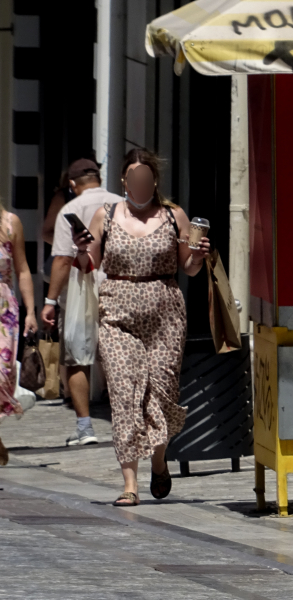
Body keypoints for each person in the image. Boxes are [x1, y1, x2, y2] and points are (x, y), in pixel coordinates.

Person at [72, 148, 209, 506]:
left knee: (162, 395)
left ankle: (159, 460)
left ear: (154, 182)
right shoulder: (107, 216)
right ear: (124, 181)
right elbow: (90, 264)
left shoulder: (172, 215)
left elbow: (189, 268)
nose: (140, 184)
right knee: (123, 394)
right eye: (134, 179)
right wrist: (82, 249)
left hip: (165, 315)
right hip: (117, 314)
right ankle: (129, 483)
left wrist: (197, 254)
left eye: (146, 179)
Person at [42, 158, 119, 446]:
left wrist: (50, 300)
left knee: (77, 357)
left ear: (72, 184)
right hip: (116, 285)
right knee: (116, 355)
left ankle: (86, 427)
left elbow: (63, 258)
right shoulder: (120, 204)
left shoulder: (70, 209)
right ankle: (127, 419)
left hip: (79, 289)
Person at [0, 200, 40, 465]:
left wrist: (30, 311)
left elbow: (23, 269)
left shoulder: (10, 223)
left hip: (3, 310)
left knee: (2, 374)